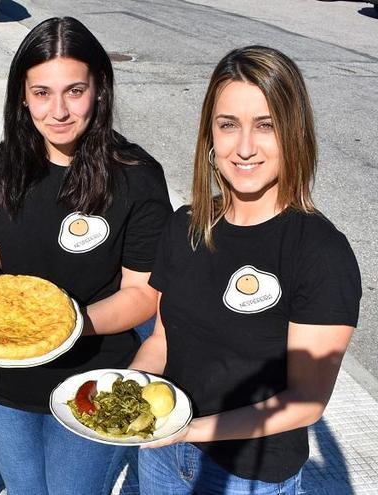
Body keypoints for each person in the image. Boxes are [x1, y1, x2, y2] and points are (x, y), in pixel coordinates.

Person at [130, 45, 362, 494]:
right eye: (228, 125)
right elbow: (161, 338)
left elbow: (306, 401)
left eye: (266, 126)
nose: (245, 147)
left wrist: (190, 430)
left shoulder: (319, 251)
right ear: (210, 136)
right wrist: (130, 393)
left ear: (294, 133)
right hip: (162, 456)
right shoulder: (186, 225)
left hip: (249, 474)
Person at [0, 17, 172, 495]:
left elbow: (142, 294)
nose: (57, 110)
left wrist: (66, 327)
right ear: (22, 94)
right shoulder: (6, 163)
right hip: (6, 377)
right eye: (41, 93)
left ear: (99, 89)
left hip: (91, 376)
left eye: (74, 91)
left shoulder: (136, 177)